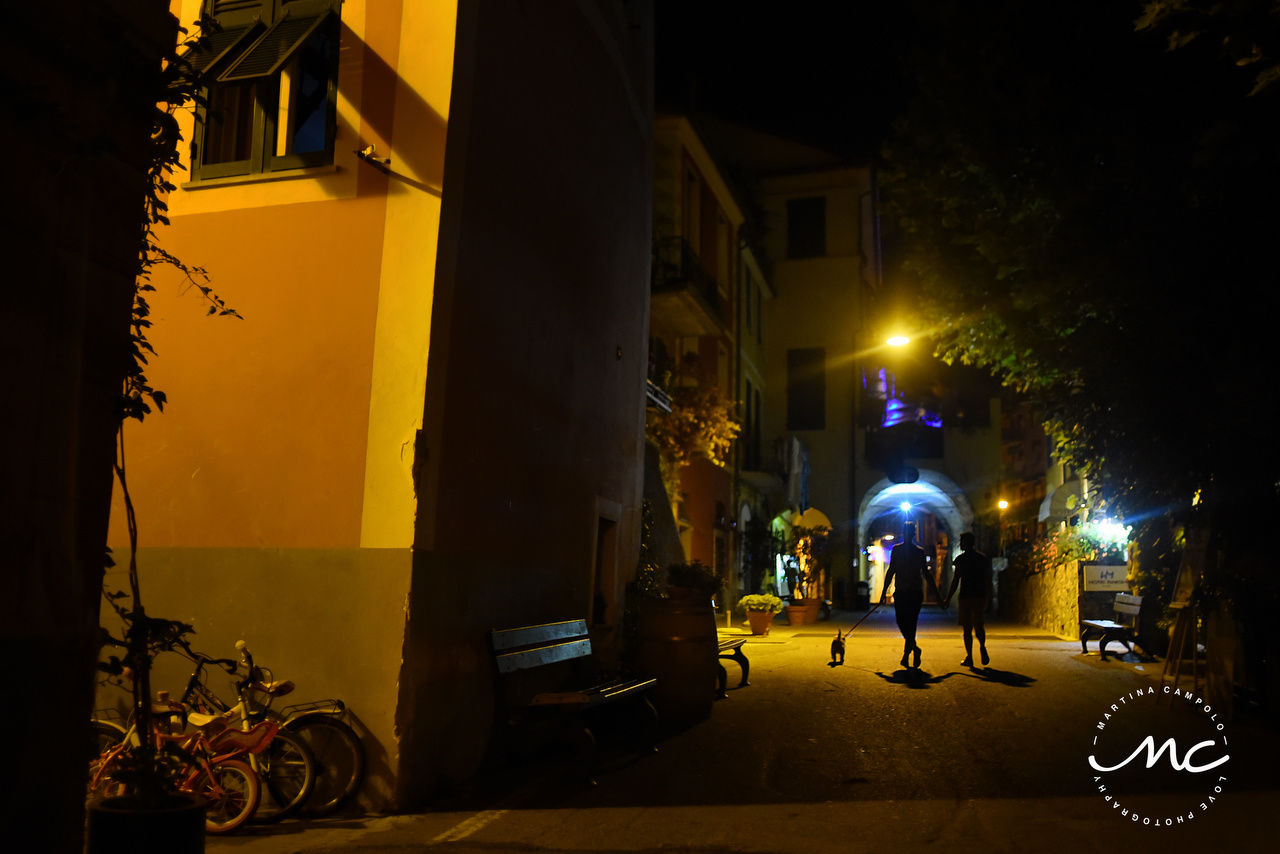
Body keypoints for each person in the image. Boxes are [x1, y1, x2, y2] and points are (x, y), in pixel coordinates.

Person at [880, 521, 943, 669]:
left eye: (909, 532)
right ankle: (912, 650)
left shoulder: (908, 551)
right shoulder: (910, 551)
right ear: (909, 533)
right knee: (906, 623)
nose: (908, 534)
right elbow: (893, 571)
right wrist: (884, 592)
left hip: (908, 592)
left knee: (907, 623)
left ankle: (909, 653)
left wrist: (884, 592)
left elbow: (893, 571)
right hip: (908, 591)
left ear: (909, 534)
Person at [943, 532, 993, 667]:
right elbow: (988, 579)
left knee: (967, 629)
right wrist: (988, 597)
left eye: (961, 541)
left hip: (965, 596)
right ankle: (982, 646)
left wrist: (948, 598)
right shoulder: (982, 559)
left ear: (965, 543)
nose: (960, 543)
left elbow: (955, 580)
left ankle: (969, 657)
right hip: (979, 595)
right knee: (979, 625)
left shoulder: (960, 560)